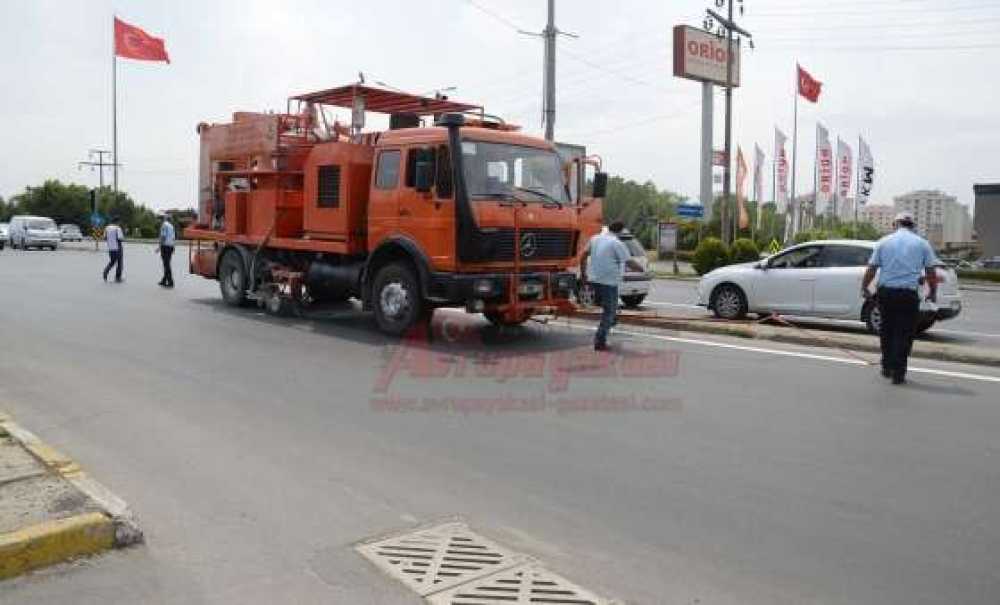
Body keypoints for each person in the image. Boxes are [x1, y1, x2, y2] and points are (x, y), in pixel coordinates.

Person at [861, 211, 938, 385]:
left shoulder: (883, 242)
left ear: (895, 224)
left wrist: (864, 287)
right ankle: (898, 373)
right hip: (908, 295)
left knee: (887, 330)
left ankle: (887, 366)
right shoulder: (922, 243)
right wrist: (932, 292)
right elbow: (931, 272)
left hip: (886, 294)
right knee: (904, 333)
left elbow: (872, 268)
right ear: (913, 226)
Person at [581, 220, 640, 351]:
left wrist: (583, 274)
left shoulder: (595, 238)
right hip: (608, 282)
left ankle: (611, 321)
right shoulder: (617, 243)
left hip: (594, 280)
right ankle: (600, 340)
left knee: (609, 309)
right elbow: (629, 262)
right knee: (609, 312)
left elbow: (583, 256)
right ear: (620, 231)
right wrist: (642, 270)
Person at [102, 218, 125, 283]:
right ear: (117, 221)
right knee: (120, 263)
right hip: (118, 248)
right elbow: (120, 238)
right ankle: (118, 277)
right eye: (119, 222)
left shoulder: (107, 228)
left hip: (110, 248)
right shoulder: (118, 228)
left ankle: (105, 272)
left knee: (112, 262)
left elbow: (104, 238)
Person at [157, 215, 176, 288]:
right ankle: (164, 280)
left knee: (166, 265)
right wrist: (173, 247)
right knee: (167, 264)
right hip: (170, 246)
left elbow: (163, 237)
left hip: (165, 246)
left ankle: (170, 282)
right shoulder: (171, 226)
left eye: (159, 219)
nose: (159, 221)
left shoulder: (164, 225)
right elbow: (173, 238)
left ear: (163, 219)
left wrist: (159, 247)